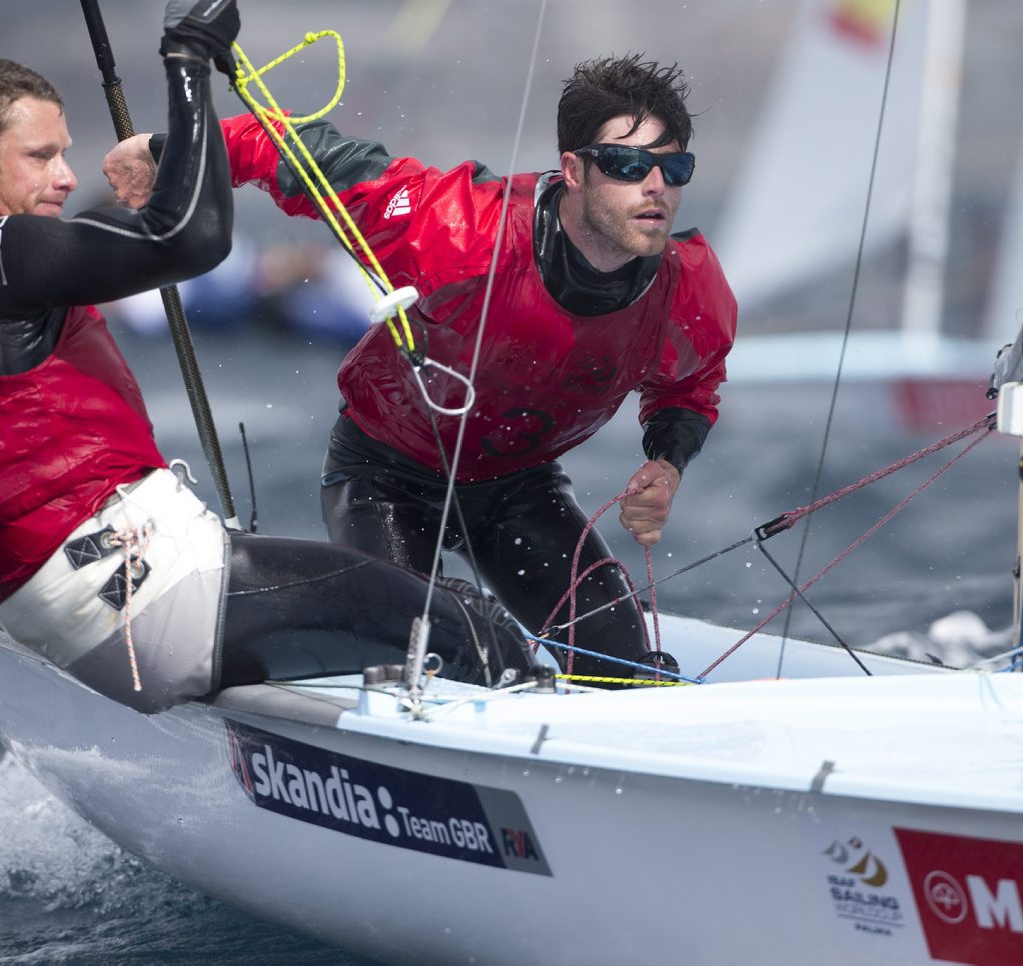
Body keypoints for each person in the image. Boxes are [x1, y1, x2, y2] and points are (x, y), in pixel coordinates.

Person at [0, 0, 537, 715]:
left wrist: (162, 178)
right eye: (40, 156)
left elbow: (142, 234)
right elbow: (189, 241)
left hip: (69, 618)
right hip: (143, 596)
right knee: (472, 631)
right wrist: (189, 59)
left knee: (408, 612)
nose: (68, 177)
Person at [105, 53, 737, 681]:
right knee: (445, 655)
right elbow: (306, 153)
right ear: (573, 170)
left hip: (519, 489)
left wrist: (667, 461)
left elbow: (689, 385)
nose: (655, 187)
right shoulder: (458, 229)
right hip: (386, 479)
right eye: (628, 165)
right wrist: (170, 154)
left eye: (672, 167)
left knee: (624, 671)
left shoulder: (692, 291)